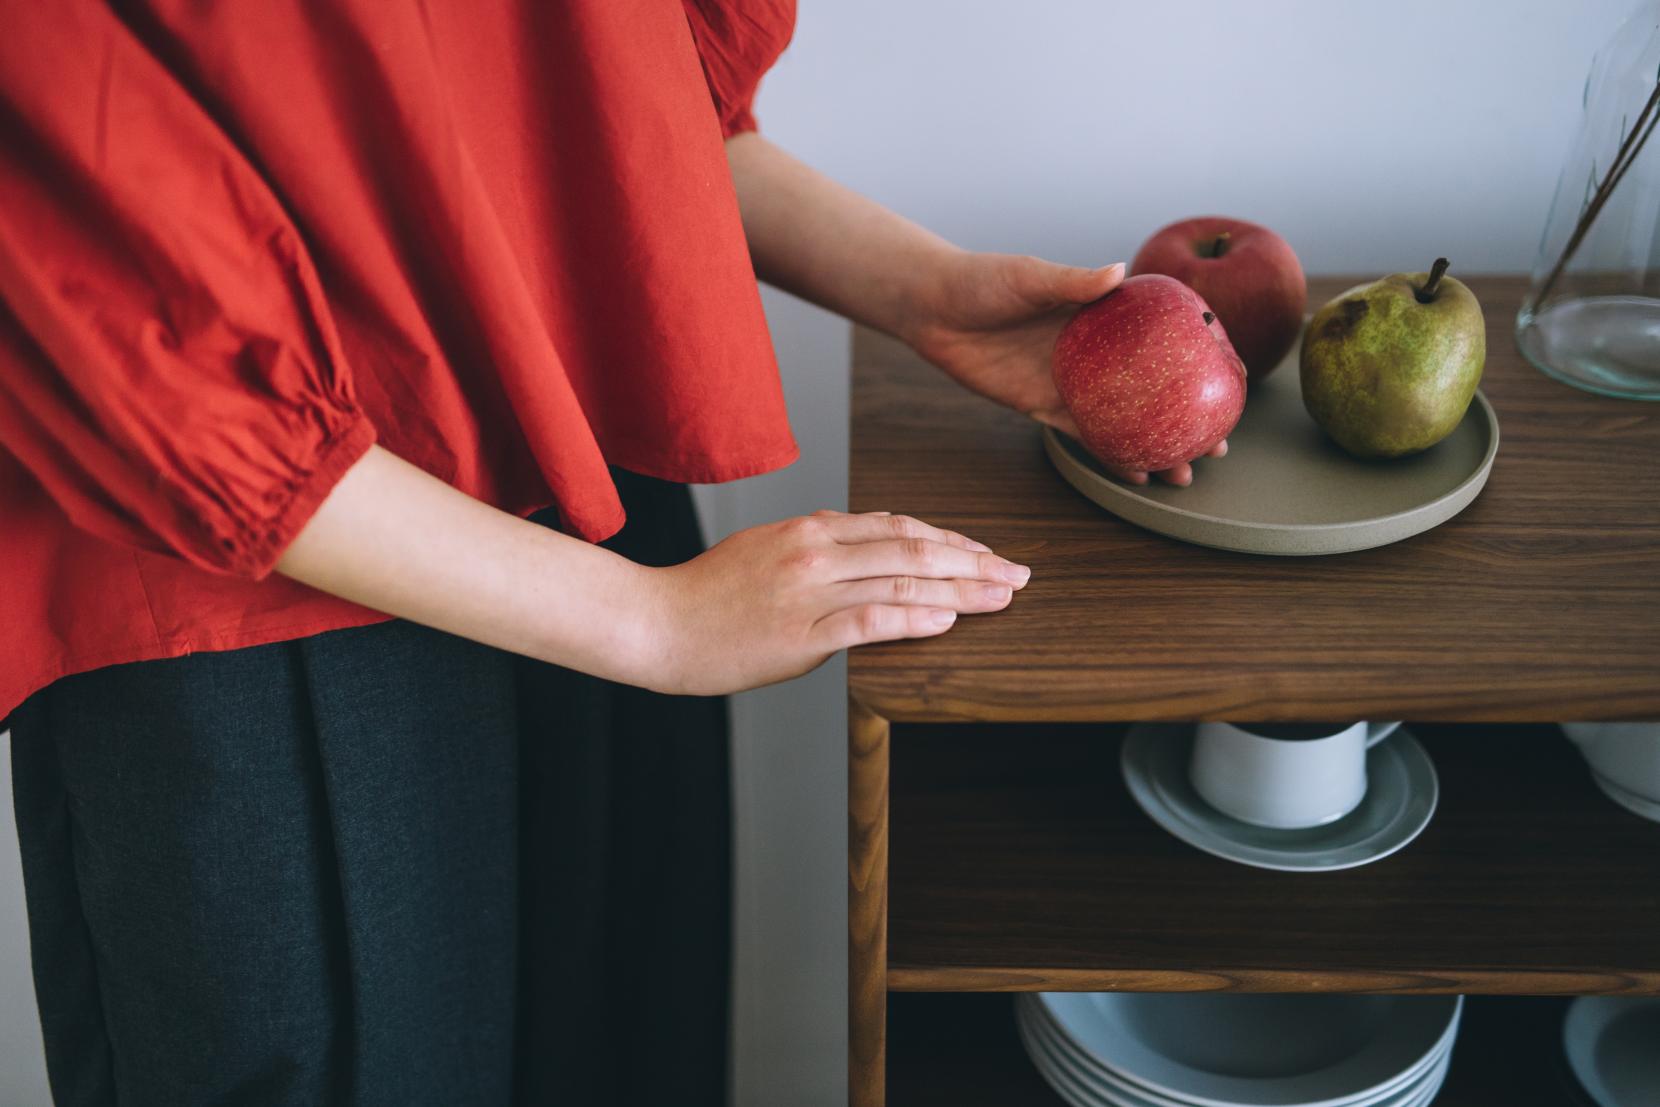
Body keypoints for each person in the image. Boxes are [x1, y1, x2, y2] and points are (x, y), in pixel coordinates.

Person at [0, 2, 1224, 1103]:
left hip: (585, 478)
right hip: (256, 603)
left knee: (631, 1050)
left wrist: (923, 291)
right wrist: (647, 624)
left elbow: (585, 81)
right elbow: (100, 290)